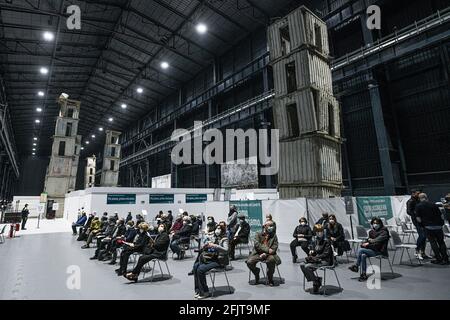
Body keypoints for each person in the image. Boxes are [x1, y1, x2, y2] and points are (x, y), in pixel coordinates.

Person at [193, 223, 229, 299]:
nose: (217, 230)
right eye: (216, 228)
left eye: (219, 228)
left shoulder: (224, 239)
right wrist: (207, 246)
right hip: (212, 258)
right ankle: (198, 290)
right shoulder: (214, 238)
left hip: (220, 261)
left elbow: (226, 250)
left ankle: (205, 292)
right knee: (196, 266)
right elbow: (212, 250)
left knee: (200, 270)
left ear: (222, 230)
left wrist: (216, 246)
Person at [415, 193, 449, 265]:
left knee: (433, 243)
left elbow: (418, 219)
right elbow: (441, 215)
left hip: (428, 227)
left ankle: (438, 259)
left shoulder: (418, 206)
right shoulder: (434, 205)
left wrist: (422, 225)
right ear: (426, 197)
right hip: (438, 226)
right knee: (441, 242)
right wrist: (441, 223)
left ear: (420, 198)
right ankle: (445, 259)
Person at [300, 224, 334, 294]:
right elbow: (315, 250)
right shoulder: (315, 241)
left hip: (325, 260)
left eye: (321, 231)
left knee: (307, 266)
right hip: (317, 260)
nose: (319, 233)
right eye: (318, 231)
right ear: (315, 232)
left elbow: (326, 254)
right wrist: (312, 252)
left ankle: (316, 282)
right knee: (302, 265)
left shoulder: (326, 241)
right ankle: (316, 280)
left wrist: (315, 257)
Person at [246, 220, 281, 286]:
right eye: (270, 225)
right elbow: (257, 245)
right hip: (258, 253)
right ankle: (257, 272)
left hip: (269, 255)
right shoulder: (258, 233)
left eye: (272, 226)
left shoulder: (274, 235)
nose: (271, 227)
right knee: (249, 262)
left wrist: (266, 254)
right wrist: (267, 250)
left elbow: (274, 247)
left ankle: (270, 279)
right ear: (265, 226)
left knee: (272, 260)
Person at [406, 189, 429, 259]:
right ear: (413, 194)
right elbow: (409, 211)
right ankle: (417, 250)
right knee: (422, 235)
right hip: (416, 220)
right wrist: (417, 215)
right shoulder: (410, 201)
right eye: (417, 193)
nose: (419, 194)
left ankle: (423, 252)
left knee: (424, 236)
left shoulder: (418, 200)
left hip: (423, 220)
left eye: (419, 193)